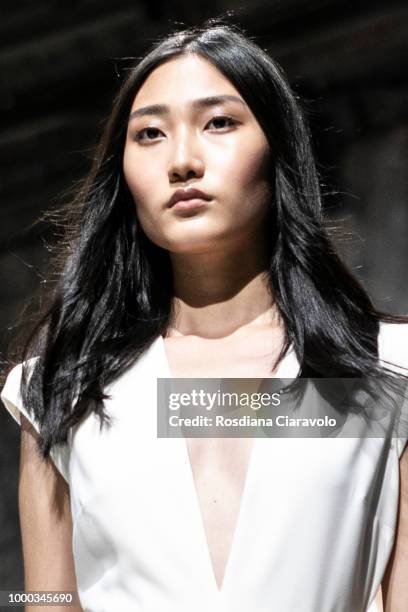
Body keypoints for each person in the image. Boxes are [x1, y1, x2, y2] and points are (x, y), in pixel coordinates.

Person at [1, 19, 407, 612]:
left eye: (218, 122)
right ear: (124, 175)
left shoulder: (384, 370)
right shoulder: (60, 390)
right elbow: (47, 599)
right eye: (149, 135)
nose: (182, 160)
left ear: (278, 149)